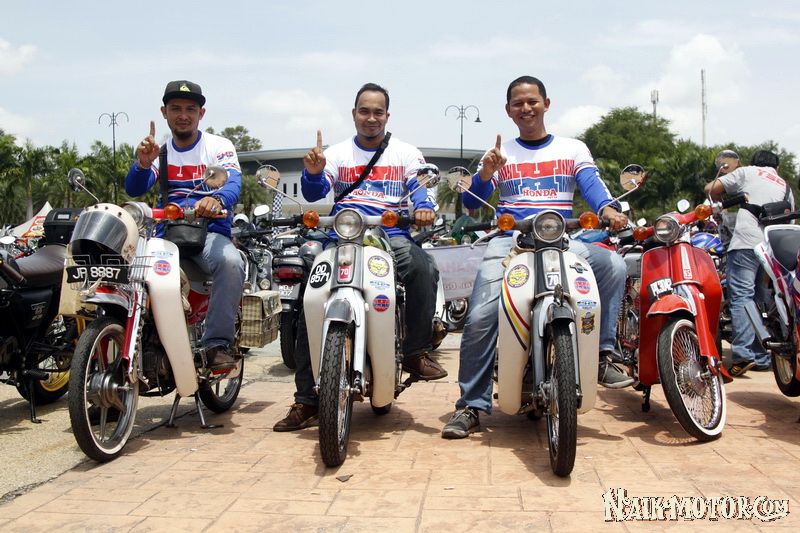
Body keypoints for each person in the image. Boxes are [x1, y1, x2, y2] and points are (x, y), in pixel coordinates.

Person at [442, 75, 633, 439]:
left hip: (563, 239)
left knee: (613, 265)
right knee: (481, 316)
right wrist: (486, 173)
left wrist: (607, 209)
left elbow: (592, 186)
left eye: (532, 101)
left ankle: (603, 356)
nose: (526, 108)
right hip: (509, 242)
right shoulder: (500, 154)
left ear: (546, 104)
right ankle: (470, 405)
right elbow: (470, 201)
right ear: (508, 110)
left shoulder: (572, 149)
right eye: (518, 103)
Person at [273, 82, 446, 431]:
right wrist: (313, 172)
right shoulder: (337, 153)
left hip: (390, 237)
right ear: (354, 114)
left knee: (423, 266)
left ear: (387, 115)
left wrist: (424, 208)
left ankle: (415, 351)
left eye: (378, 112)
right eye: (364, 111)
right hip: (341, 238)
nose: (371, 118)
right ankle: (307, 400)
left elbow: (421, 187)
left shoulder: (405, 153)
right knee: (311, 301)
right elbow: (315, 193)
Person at [125, 80, 245, 373]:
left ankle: (217, 344)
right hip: (166, 235)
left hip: (210, 233)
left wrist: (216, 199)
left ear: (201, 113)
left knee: (231, 262)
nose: (183, 115)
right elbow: (134, 189)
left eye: (191, 109)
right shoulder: (160, 152)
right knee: (129, 272)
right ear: (164, 112)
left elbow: (233, 182)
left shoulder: (218, 146)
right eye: (176, 108)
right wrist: (143, 164)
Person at [704, 149, 794, 376]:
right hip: (771, 250)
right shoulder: (785, 186)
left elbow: (710, 188)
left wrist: (720, 205)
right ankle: (762, 356)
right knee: (761, 300)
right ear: (777, 168)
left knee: (742, 297)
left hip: (746, 243)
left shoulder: (748, 172)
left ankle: (743, 354)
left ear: (753, 163)